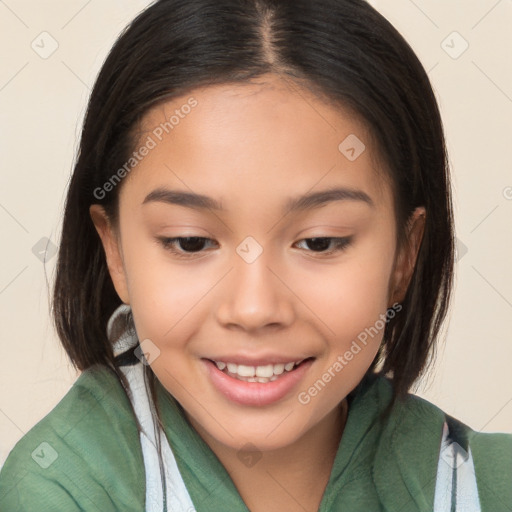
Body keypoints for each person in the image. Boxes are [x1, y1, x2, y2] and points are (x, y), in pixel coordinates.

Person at [0, 0, 510, 510]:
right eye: (191, 242)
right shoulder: (60, 487)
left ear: (403, 255)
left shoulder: (486, 487)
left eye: (319, 242)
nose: (254, 308)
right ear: (115, 251)